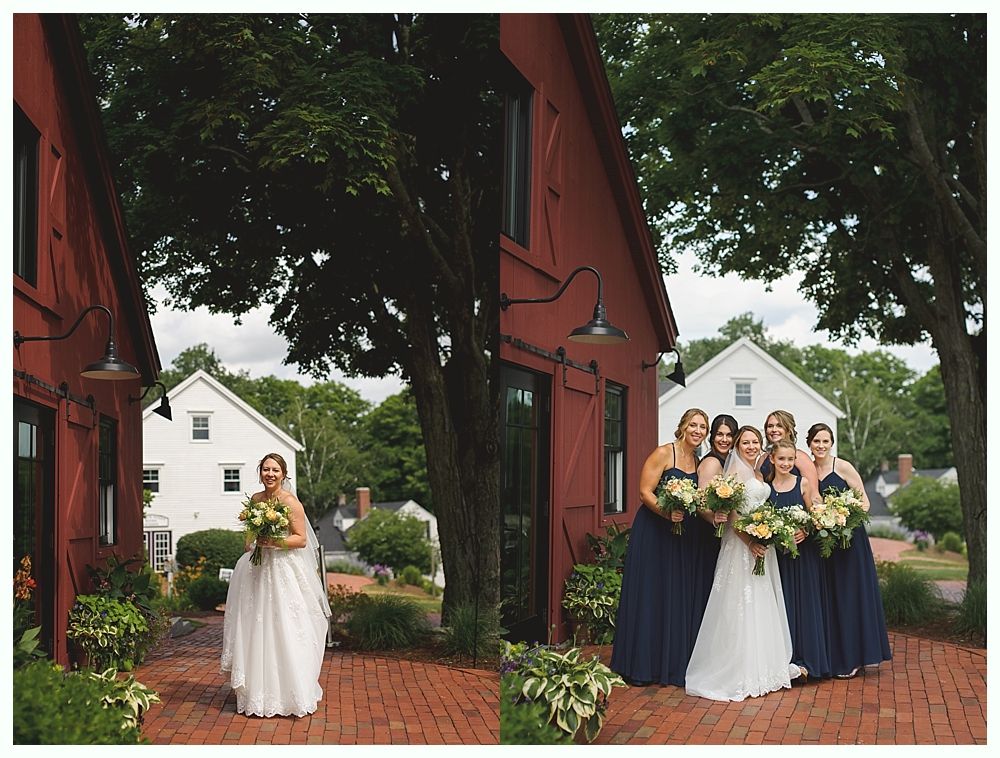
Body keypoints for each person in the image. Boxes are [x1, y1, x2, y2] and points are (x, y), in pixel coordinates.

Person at [686, 426, 802, 701]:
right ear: (737, 446)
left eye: (755, 442)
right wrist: (750, 542)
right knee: (739, 603)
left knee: (763, 601)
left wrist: (767, 533)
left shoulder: (760, 474)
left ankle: (765, 666)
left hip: (763, 545)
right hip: (740, 547)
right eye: (746, 442)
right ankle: (739, 669)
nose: (751, 446)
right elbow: (733, 516)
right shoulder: (734, 475)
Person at [611, 408, 717, 687]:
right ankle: (642, 665)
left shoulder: (696, 461)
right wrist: (666, 513)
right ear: (682, 426)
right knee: (652, 593)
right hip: (655, 532)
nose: (698, 430)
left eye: (702, 427)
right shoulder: (663, 453)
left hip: (682, 536)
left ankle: (671, 665)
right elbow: (645, 491)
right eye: (693, 425)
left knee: (675, 595)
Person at [221, 453, 332, 717]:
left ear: (283, 474)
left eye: (275, 470)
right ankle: (258, 692)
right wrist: (254, 541)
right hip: (257, 571)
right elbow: (249, 539)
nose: (270, 474)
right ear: (260, 472)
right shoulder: (256, 501)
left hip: (283, 570)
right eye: (266, 469)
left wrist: (274, 543)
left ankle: (291, 691)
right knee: (256, 626)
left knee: (285, 624)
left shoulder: (290, 502)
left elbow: (301, 540)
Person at [807, 423, 892, 678]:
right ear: (809, 443)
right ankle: (835, 656)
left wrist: (845, 519)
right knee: (830, 597)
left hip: (849, 540)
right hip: (823, 543)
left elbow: (864, 501)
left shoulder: (842, 466)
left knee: (850, 595)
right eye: (816, 441)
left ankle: (857, 656)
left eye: (825, 441)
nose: (821, 446)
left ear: (831, 443)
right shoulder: (808, 470)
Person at [768, 438, 832, 680]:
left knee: (805, 606)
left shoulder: (802, 483)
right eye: (781, 459)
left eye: (790, 459)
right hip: (779, 559)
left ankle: (810, 663)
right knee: (782, 607)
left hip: (803, 557)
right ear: (772, 459)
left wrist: (805, 530)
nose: (786, 463)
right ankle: (786, 663)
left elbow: (815, 516)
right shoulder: (767, 488)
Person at [759, 410, 819, 486]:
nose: (774, 430)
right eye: (770, 426)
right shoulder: (763, 458)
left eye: (779, 426)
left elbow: (814, 495)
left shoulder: (801, 457)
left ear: (789, 430)